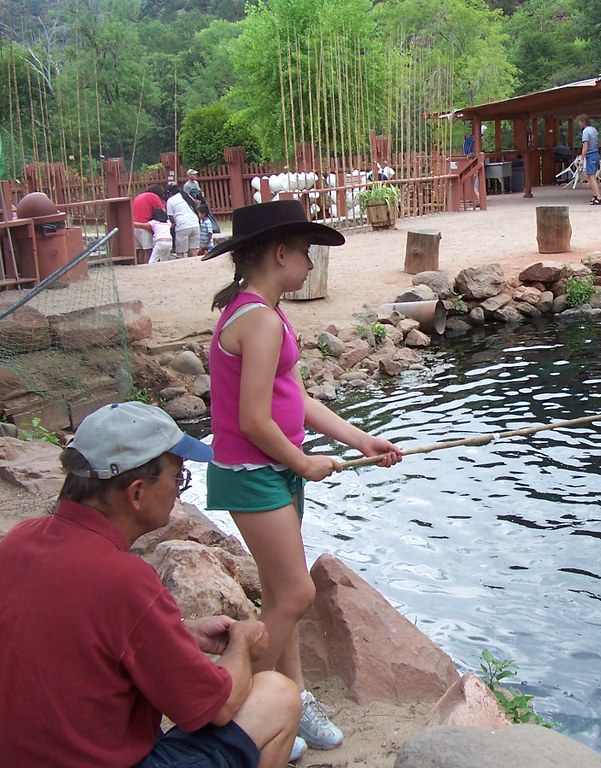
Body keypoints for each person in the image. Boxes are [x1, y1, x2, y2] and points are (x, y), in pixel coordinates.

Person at [202, 199, 403, 756]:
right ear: (280, 252)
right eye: (307, 252)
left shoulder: (267, 311)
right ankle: (231, 714)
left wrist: (361, 440)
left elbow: (298, 400)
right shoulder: (259, 320)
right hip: (254, 474)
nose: (312, 264)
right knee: (295, 593)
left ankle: (288, 700)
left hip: (273, 472)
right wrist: (303, 463)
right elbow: (252, 420)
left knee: (278, 592)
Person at [0, 402, 301, 767]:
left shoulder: (18, 541)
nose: (179, 491)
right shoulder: (124, 579)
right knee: (278, 695)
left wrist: (177, 633)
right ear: (137, 493)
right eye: (178, 477)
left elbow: (77, 634)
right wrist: (241, 642)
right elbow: (219, 708)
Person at [132, 183, 166, 263]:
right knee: (148, 250)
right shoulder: (153, 196)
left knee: (139, 250)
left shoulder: (139, 196)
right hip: (145, 225)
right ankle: (147, 266)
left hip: (134, 225)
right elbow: (163, 211)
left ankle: (140, 266)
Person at [166, 182, 202, 258]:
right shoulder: (187, 196)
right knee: (193, 249)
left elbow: (171, 217)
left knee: (181, 251)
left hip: (182, 226)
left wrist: (174, 224)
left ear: (169, 192)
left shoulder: (170, 200)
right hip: (195, 224)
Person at [576, 114, 601, 205]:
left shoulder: (586, 131)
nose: (579, 124)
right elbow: (597, 142)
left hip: (590, 155)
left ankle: (599, 197)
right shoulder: (594, 130)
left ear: (583, 122)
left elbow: (585, 146)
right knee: (589, 176)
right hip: (595, 153)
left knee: (591, 176)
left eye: (579, 122)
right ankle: (595, 195)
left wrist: (582, 158)